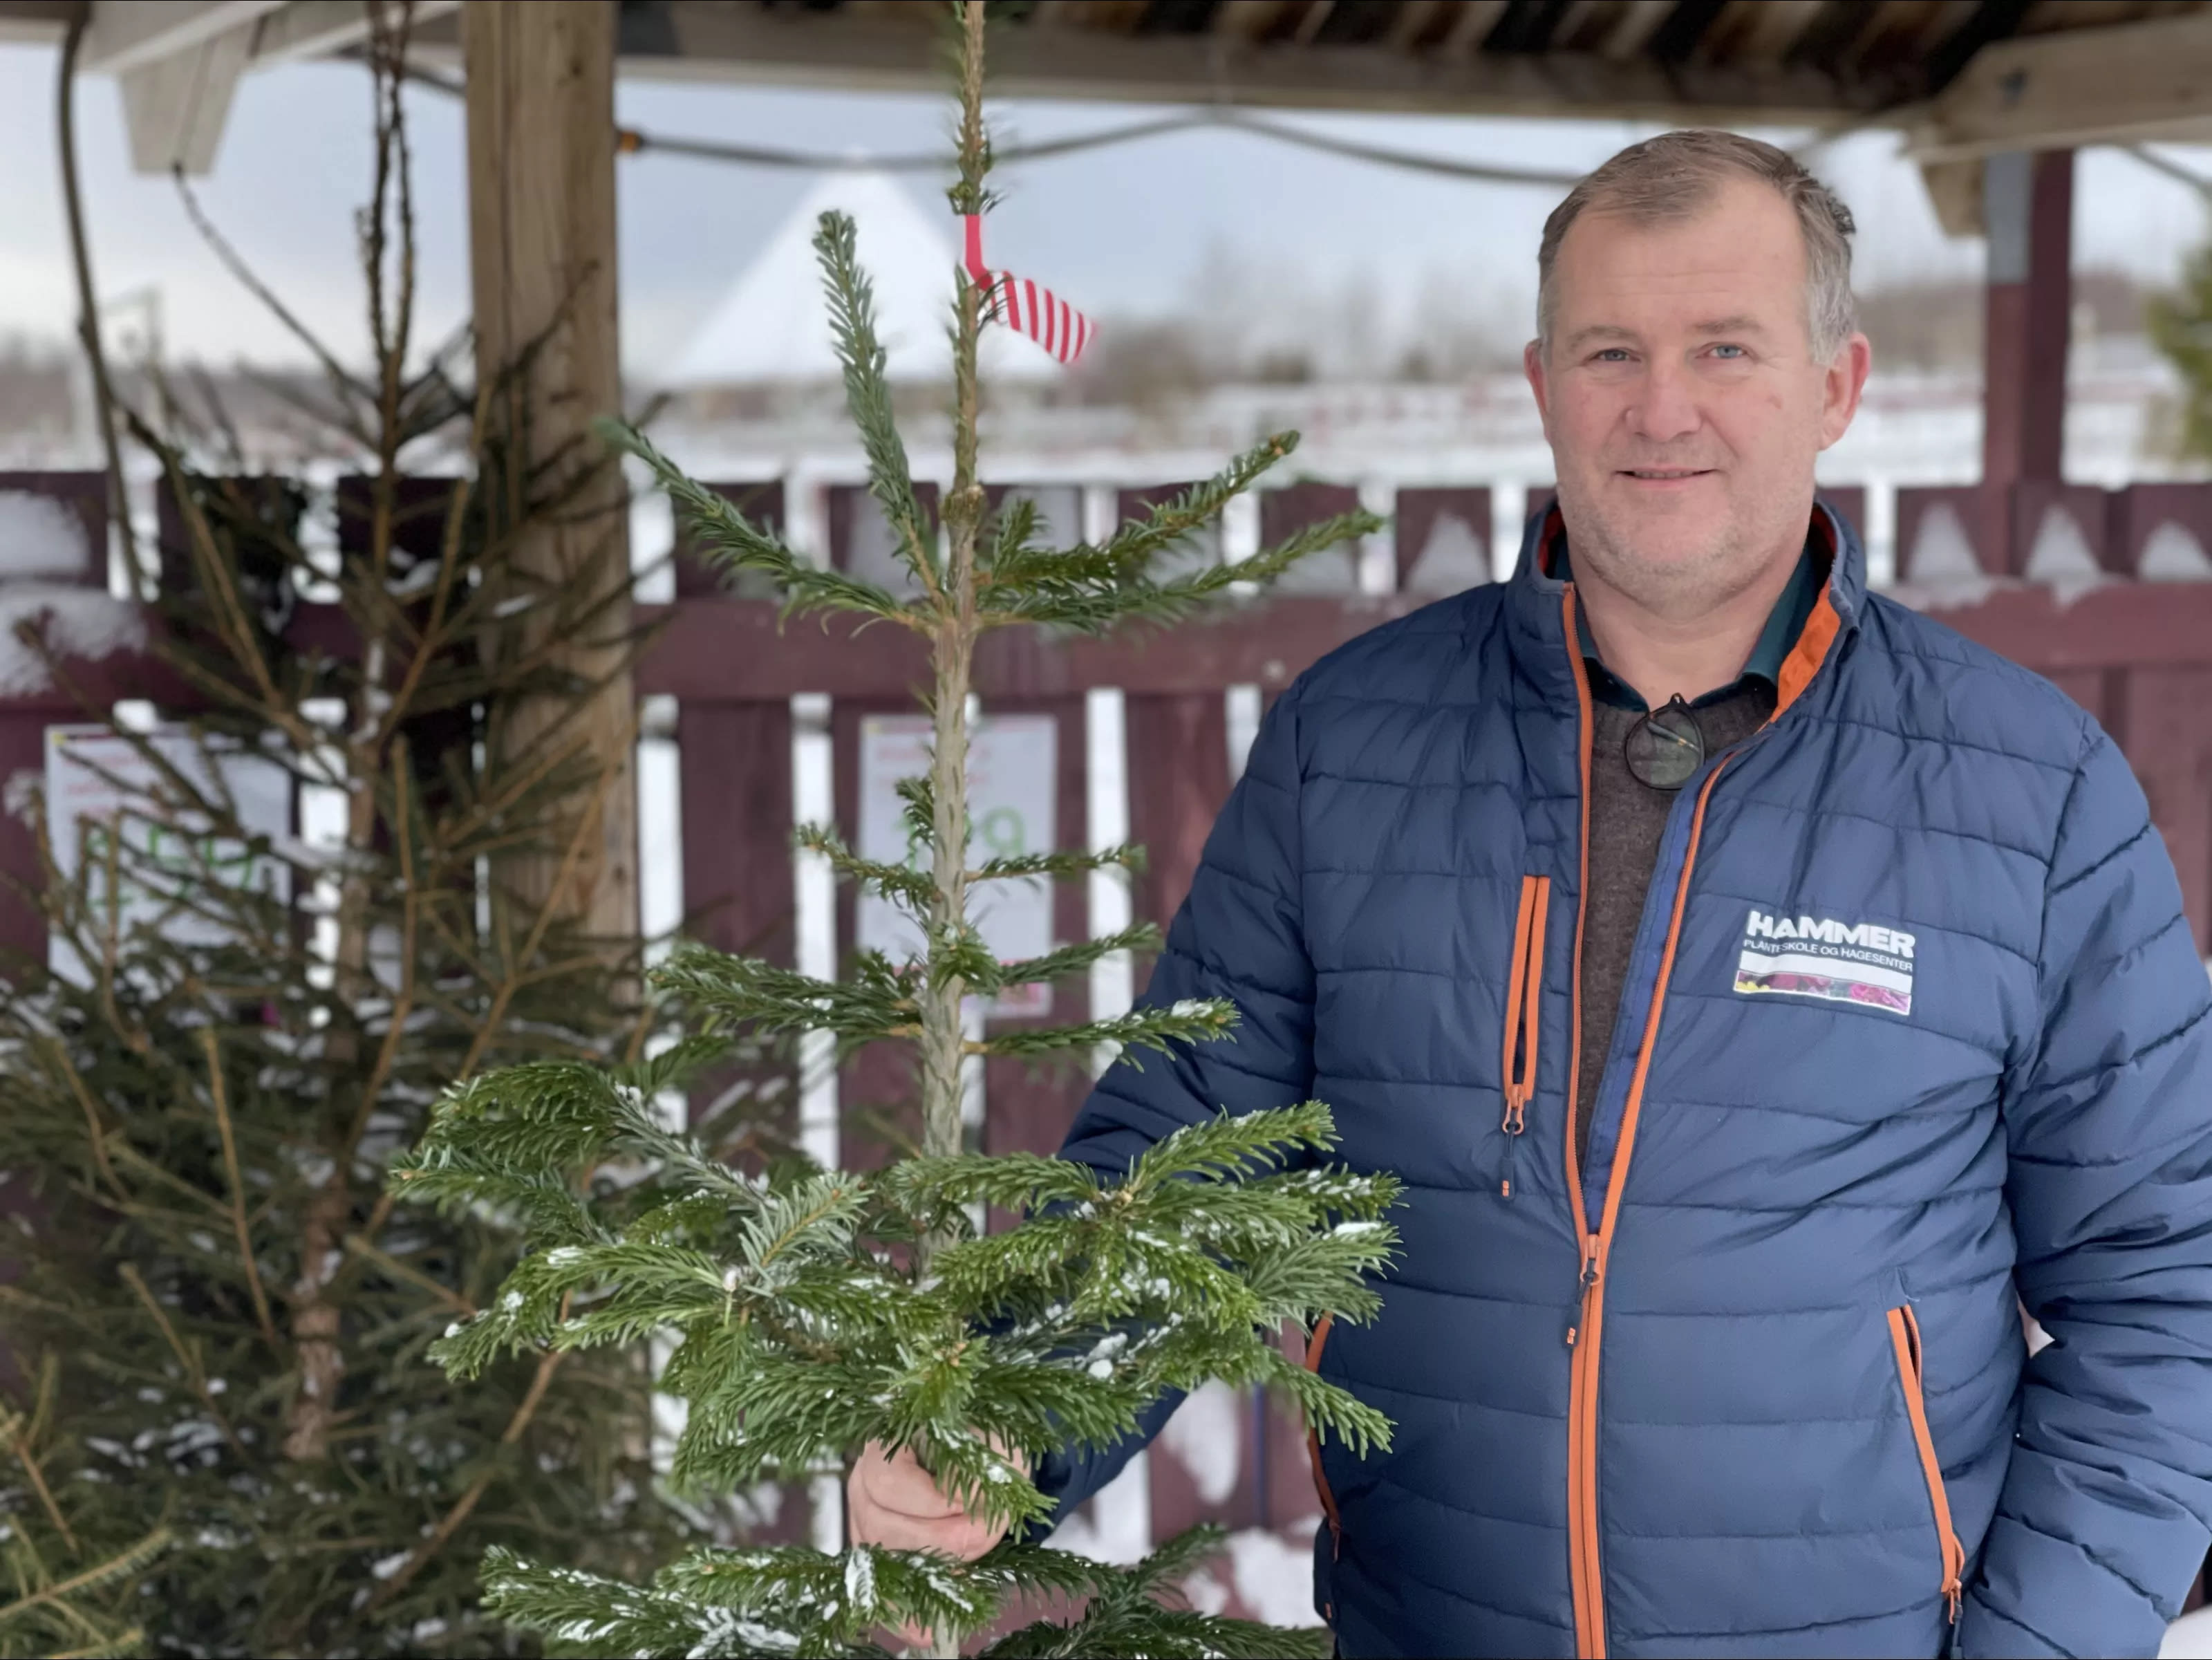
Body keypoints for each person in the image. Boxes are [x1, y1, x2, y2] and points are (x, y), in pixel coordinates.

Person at [847, 130, 2212, 1659]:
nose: (1662, 408)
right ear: (1542, 382)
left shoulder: (2028, 791)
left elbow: (2173, 1292)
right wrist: (1002, 1418)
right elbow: (1184, 1175)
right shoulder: (1351, 744)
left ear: (1836, 386)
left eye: (1725, 348)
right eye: (1611, 350)